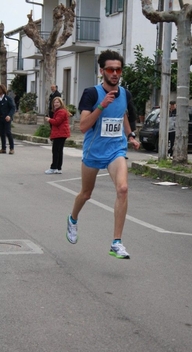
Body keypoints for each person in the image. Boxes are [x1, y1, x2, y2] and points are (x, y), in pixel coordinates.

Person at [66, 49, 140, 259]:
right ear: (102, 71)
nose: (115, 73)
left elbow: (123, 115)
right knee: (86, 193)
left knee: (123, 189)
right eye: (110, 69)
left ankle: (116, 242)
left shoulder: (124, 93)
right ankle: (72, 219)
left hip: (116, 149)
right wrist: (101, 105)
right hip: (94, 150)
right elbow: (83, 126)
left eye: (118, 69)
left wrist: (131, 135)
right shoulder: (91, 93)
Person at [44, 97, 70, 174]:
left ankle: (54, 167)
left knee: (56, 151)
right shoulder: (59, 111)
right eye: (54, 102)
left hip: (60, 133)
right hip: (61, 133)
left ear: (61, 103)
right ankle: (58, 168)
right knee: (59, 151)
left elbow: (57, 122)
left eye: (57, 102)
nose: (56, 104)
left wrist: (49, 119)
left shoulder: (61, 112)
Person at [0, 84, 16, 154]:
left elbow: (13, 108)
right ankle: (3, 148)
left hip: (7, 118)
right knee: (1, 133)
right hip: (0, 118)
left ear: (2, 90)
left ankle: (11, 148)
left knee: (8, 133)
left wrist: (9, 115)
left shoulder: (8, 98)